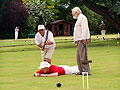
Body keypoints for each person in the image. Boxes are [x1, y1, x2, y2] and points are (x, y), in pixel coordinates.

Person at [72, 7, 91, 75]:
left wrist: (84, 38)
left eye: (73, 13)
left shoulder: (82, 18)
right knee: (78, 56)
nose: (73, 15)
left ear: (77, 12)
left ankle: (86, 70)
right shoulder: (79, 18)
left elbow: (84, 28)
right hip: (79, 40)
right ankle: (81, 70)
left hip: (82, 39)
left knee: (83, 55)